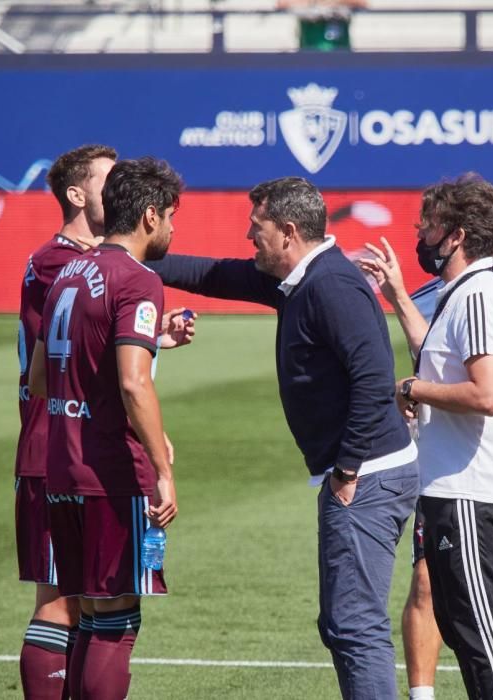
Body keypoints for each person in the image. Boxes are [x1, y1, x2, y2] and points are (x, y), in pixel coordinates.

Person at [146, 176, 419, 700]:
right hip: (368, 473)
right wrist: (128, 255)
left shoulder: (330, 285)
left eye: (258, 228)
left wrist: (347, 470)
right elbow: (213, 274)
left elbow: (372, 374)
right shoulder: (298, 278)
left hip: (368, 478)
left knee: (355, 627)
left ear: (289, 232)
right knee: (344, 624)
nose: (250, 237)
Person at [358, 176, 493, 700]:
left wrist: (410, 387)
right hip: (479, 487)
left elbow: (487, 393)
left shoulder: (480, 293)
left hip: (469, 492)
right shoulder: (477, 291)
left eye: (428, 225)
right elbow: (446, 366)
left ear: (457, 234)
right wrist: (399, 298)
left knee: (481, 639)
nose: (420, 235)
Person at [28, 157, 187, 700]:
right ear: (148, 215)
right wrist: (162, 470)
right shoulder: (138, 279)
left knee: (88, 614)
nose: (172, 228)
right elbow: (134, 384)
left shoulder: (68, 272)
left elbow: (38, 377)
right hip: (112, 473)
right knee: (116, 623)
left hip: (61, 469)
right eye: (170, 216)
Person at [15, 144, 115, 700]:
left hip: (82, 447)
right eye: (109, 180)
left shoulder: (86, 264)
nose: (120, 189)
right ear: (76, 194)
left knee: (85, 600)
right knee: (58, 601)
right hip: (53, 446)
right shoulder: (60, 261)